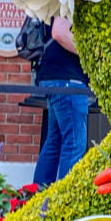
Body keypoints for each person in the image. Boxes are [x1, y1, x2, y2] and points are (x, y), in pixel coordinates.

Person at [32, 16, 90, 187]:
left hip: (55, 77)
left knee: (54, 142)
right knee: (73, 144)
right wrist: (90, 54)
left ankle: (37, 199)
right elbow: (59, 32)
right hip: (68, 80)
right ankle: (64, 203)